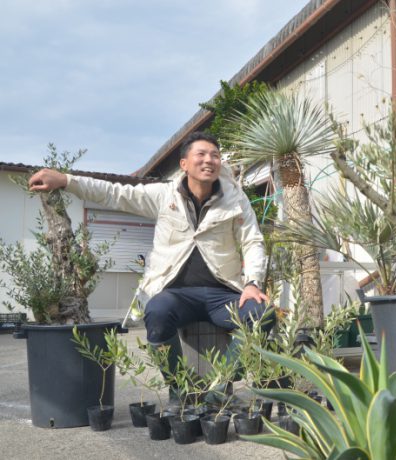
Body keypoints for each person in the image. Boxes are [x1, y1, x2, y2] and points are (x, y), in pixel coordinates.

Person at [29, 132, 271, 400]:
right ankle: (180, 388)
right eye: (200, 154)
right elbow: (114, 194)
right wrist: (66, 180)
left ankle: (220, 385)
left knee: (262, 314)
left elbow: (253, 241)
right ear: (184, 164)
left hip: (221, 292)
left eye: (214, 155)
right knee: (156, 313)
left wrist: (252, 283)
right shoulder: (163, 194)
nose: (209, 160)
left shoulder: (235, 199)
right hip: (175, 293)